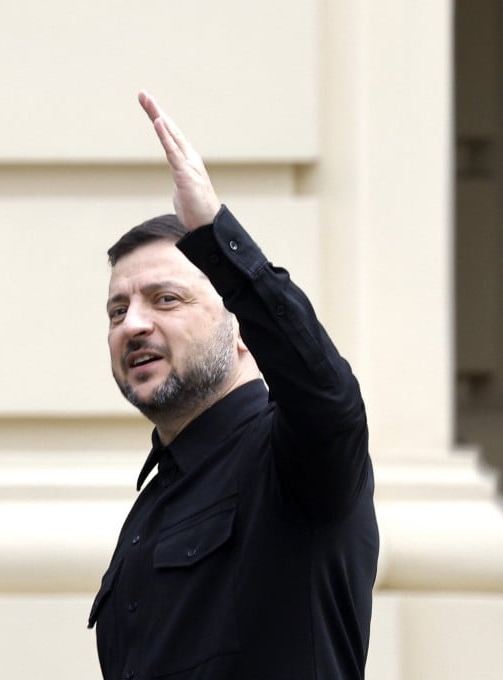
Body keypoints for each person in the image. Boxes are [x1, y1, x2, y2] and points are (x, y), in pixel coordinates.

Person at [88, 92, 378, 679]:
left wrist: (215, 234)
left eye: (166, 299)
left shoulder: (292, 459)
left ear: (243, 325)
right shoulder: (155, 502)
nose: (133, 324)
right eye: (118, 310)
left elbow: (328, 398)